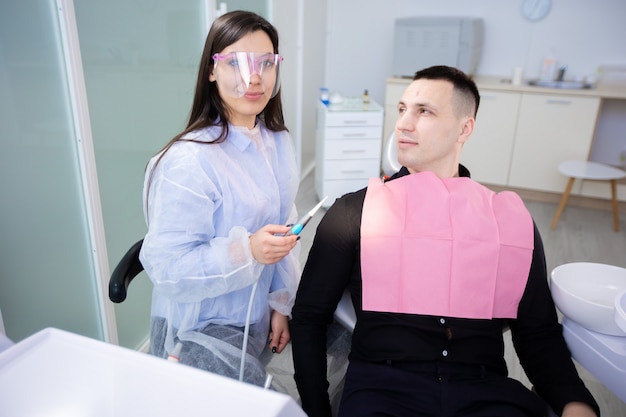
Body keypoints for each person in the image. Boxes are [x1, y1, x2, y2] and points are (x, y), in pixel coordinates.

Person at [291, 65, 600, 417]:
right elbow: (309, 318)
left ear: (464, 128)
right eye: (403, 109)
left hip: (486, 393)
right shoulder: (354, 212)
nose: (404, 124)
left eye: (424, 111)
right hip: (384, 392)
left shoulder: (509, 223)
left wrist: (577, 405)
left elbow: (538, 335)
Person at [139, 10, 301, 387]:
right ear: (211, 71)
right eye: (237, 63)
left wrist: (281, 303)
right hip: (201, 329)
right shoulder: (189, 161)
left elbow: (283, 225)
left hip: (256, 311)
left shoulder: (275, 140)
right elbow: (167, 267)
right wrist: (247, 251)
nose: (254, 77)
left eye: (266, 62)